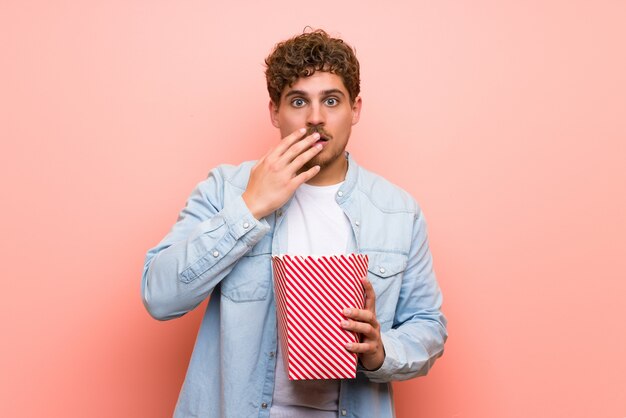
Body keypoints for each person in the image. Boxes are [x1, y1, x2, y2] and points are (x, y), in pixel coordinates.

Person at [142, 29, 447, 418]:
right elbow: (159, 295)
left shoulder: (398, 211)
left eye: (331, 101)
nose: (315, 117)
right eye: (298, 101)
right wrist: (249, 207)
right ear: (275, 112)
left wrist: (380, 351)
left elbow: (427, 325)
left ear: (355, 109)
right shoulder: (226, 189)